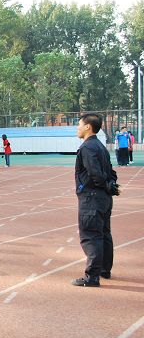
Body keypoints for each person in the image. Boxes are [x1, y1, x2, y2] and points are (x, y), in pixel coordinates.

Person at [72, 113, 116, 287]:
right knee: (104, 234)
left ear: (88, 127)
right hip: (103, 198)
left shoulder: (88, 147)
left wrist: (106, 185)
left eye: (79, 125)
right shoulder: (100, 146)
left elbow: (95, 173)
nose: (77, 128)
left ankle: (92, 276)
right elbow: (110, 171)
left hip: (91, 198)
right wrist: (111, 186)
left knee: (91, 236)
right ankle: (104, 269)